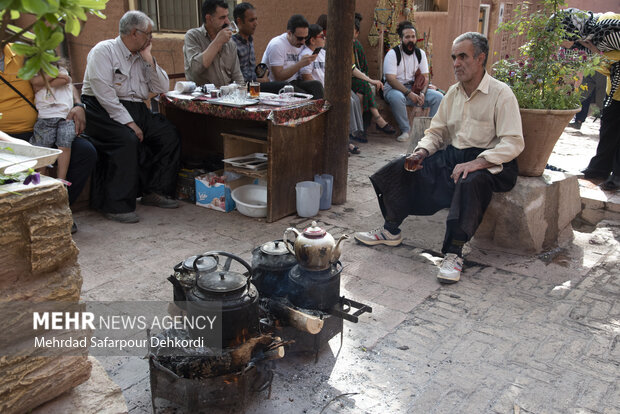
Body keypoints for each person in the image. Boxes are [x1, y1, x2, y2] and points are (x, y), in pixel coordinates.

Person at [354, 32, 524, 284]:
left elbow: (513, 142)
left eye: (463, 56)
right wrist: (421, 151)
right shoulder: (453, 93)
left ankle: (454, 253)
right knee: (403, 166)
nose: (456, 63)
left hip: (492, 163)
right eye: (454, 57)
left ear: (480, 58)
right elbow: (437, 131)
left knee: (469, 181)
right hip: (456, 156)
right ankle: (391, 230)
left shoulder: (501, 94)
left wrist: (478, 162)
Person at [81, 10, 181, 223]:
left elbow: (161, 87)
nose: (151, 39)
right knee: (126, 139)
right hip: (101, 109)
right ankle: (115, 205)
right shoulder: (104, 51)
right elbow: (105, 94)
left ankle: (156, 191)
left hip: (136, 107)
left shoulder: (141, 55)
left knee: (168, 133)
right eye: (148, 34)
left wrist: (149, 59)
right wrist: (129, 123)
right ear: (135, 33)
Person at [0, 43, 96, 233]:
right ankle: (30, 219)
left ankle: (59, 208)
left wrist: (78, 105)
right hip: (5, 136)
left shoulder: (24, 52)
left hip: (43, 123)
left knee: (86, 153)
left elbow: (65, 78)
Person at [561, 9, 620, 191]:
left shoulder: (609, 28)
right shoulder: (593, 34)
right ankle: (598, 169)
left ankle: (617, 177)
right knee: (609, 127)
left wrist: (596, 52)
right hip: (616, 90)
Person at [383, 21, 443, 142]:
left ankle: (431, 131)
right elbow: (390, 79)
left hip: (414, 88)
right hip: (394, 88)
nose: (411, 40)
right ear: (401, 39)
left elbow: (425, 77)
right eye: (407, 37)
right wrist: (409, 93)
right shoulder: (393, 54)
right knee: (397, 97)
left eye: (413, 36)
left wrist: (422, 93)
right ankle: (406, 130)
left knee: (438, 97)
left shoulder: (420, 54)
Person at [351, 13, 395, 141]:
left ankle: (360, 130)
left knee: (362, 95)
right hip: (347, 80)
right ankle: (378, 119)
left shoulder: (357, 46)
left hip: (357, 80)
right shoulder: (343, 46)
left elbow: (362, 68)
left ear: (357, 33)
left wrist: (368, 80)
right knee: (366, 86)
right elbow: (351, 69)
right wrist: (370, 80)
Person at [30, 59, 75, 181]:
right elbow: (35, 82)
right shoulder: (34, 71)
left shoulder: (61, 69)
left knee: (65, 146)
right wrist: (51, 76)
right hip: (45, 117)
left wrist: (44, 81)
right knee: (42, 149)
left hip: (65, 116)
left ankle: (61, 179)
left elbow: (64, 79)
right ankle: (40, 180)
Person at [260, 14, 324, 99]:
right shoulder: (277, 44)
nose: (303, 42)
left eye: (306, 37)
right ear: (289, 33)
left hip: (294, 82)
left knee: (316, 85)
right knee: (289, 88)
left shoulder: (301, 44)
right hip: (277, 84)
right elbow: (278, 77)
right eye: (300, 38)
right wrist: (300, 64)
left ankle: (321, 111)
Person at [184, 0, 244, 88]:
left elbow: (238, 78)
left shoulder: (230, 43)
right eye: (222, 18)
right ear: (209, 18)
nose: (227, 22)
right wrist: (217, 41)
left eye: (227, 16)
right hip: (202, 97)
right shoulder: (193, 36)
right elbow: (196, 68)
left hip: (227, 96)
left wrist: (240, 92)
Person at [231, 2, 287, 93]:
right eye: (251, 20)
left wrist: (262, 75)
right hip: (242, 88)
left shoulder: (249, 39)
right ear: (239, 21)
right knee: (284, 87)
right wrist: (258, 80)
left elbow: (249, 68)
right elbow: (235, 76)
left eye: (256, 19)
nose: (256, 23)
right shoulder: (232, 43)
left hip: (255, 83)